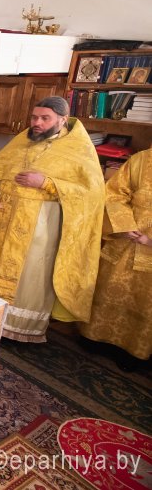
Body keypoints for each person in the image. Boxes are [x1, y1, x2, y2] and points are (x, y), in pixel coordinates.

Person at [0, 96, 104, 343]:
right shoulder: (22, 140)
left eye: (45, 118)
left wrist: (47, 182)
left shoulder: (78, 149)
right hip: (3, 220)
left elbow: (91, 193)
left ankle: (19, 329)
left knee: (29, 277)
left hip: (41, 227)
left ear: (62, 120)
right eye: (34, 117)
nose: (37, 123)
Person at [78, 148, 151, 365]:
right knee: (108, 288)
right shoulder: (141, 160)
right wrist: (123, 225)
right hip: (125, 240)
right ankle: (94, 339)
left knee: (144, 303)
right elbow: (113, 193)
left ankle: (134, 354)